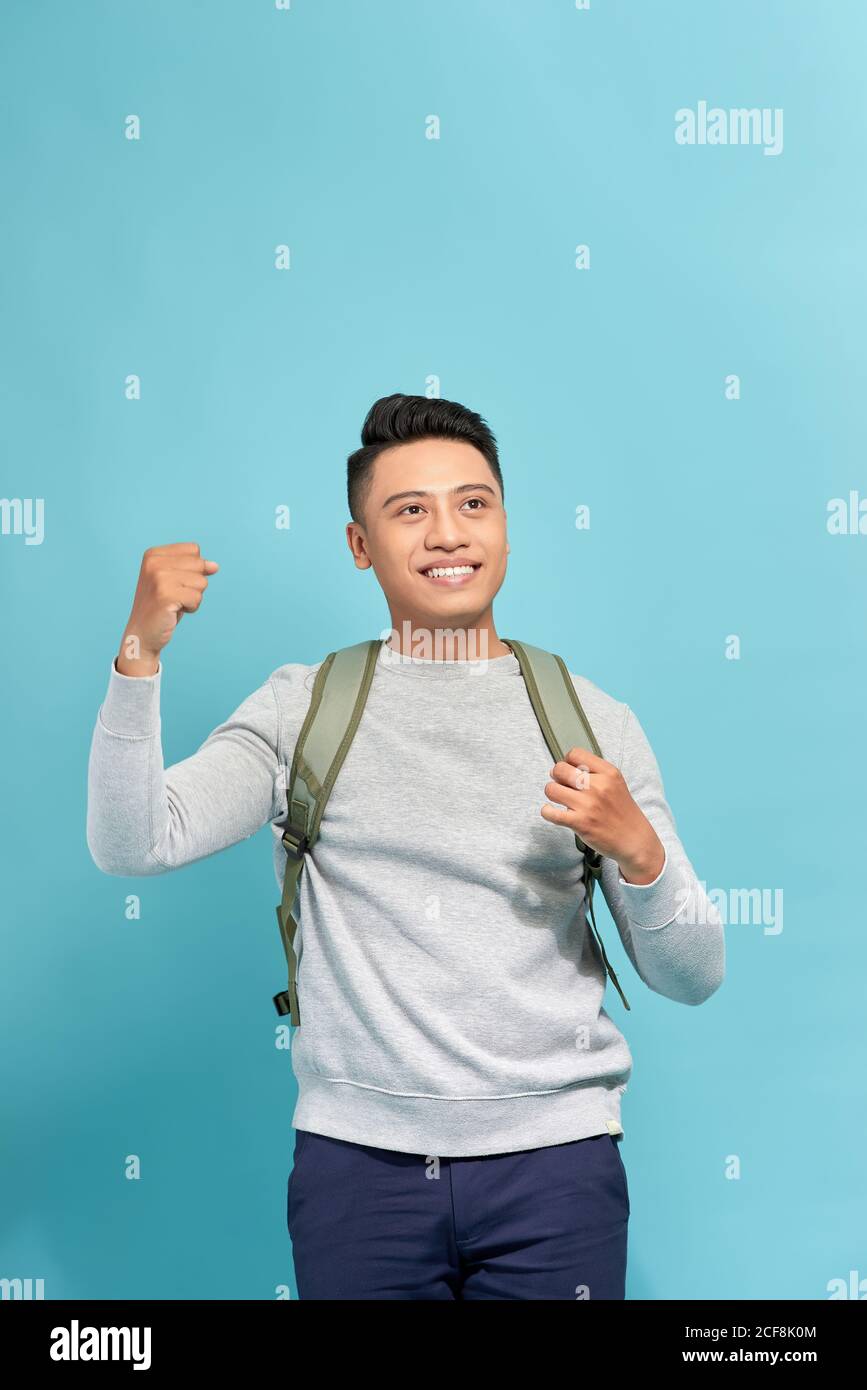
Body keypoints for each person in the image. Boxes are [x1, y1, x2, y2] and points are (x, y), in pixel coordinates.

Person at [87, 393, 725, 1300]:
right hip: (358, 1175)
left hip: (558, 1169)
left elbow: (694, 974)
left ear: (505, 524)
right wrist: (139, 651)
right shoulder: (302, 707)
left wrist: (640, 852)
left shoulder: (591, 720)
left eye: (473, 504)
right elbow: (134, 841)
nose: (447, 534)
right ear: (360, 545)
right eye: (409, 510)